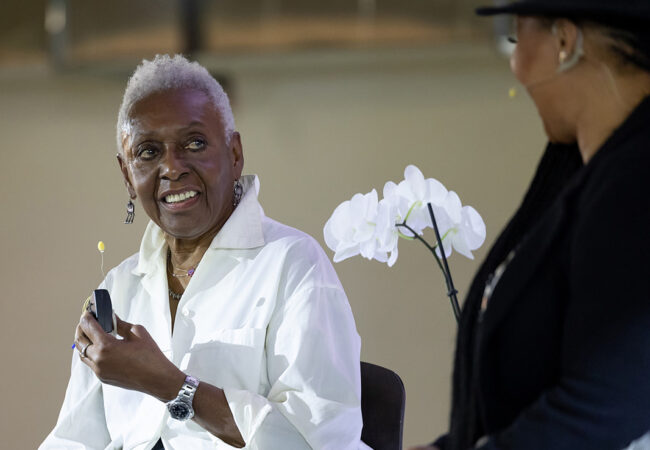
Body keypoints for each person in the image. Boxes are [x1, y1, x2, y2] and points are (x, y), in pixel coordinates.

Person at [41, 54, 369, 450]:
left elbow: (319, 442)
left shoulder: (292, 264)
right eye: (148, 152)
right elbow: (74, 440)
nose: (172, 168)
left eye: (194, 143)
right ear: (127, 175)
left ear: (234, 154)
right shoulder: (120, 287)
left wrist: (170, 385)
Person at [410, 0, 650, 449]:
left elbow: (609, 403)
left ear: (565, 41)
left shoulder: (635, 180)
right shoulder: (580, 167)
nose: (517, 68)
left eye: (518, 38)